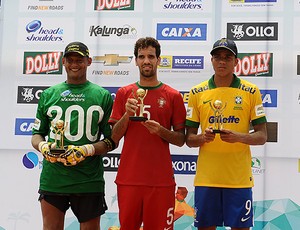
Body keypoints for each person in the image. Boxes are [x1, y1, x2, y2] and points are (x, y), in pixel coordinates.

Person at [31, 41, 116, 230]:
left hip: (88, 180)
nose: (74, 64)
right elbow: (37, 134)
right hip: (54, 179)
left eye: (80, 60)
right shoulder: (48, 94)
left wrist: (87, 150)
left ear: (89, 62)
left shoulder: (102, 96)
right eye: (70, 60)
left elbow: (111, 141)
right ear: (63, 62)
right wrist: (43, 146)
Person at [185, 38, 267, 230]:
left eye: (227, 57)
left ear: (236, 62)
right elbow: (188, 139)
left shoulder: (250, 91)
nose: (222, 61)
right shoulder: (197, 92)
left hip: (238, 179)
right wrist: (202, 138)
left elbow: (262, 135)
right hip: (207, 179)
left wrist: (239, 137)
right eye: (218, 57)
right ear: (211, 60)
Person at [108, 37, 186, 230]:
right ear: (135, 61)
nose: (146, 61)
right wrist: (127, 114)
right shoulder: (124, 93)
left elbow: (181, 140)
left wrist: (161, 131)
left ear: (159, 60)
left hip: (160, 182)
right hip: (129, 179)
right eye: (141, 57)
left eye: (151, 56)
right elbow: (114, 137)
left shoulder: (173, 95)